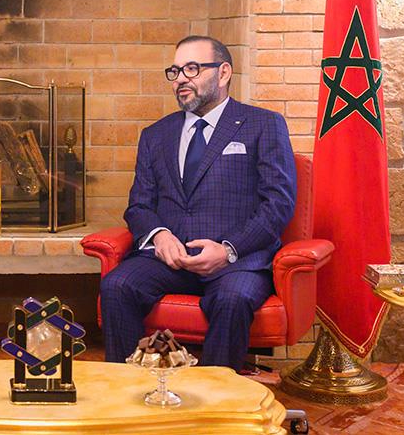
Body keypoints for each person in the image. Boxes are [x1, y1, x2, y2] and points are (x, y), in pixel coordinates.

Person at [100, 36, 296, 371]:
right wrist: (160, 236)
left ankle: (213, 398)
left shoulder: (263, 124)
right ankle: (129, 391)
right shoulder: (156, 134)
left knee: (232, 300)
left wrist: (228, 249)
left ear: (223, 73)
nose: (180, 79)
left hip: (235, 262)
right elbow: (139, 206)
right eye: (175, 71)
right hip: (170, 261)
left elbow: (278, 203)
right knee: (117, 285)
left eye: (192, 69)